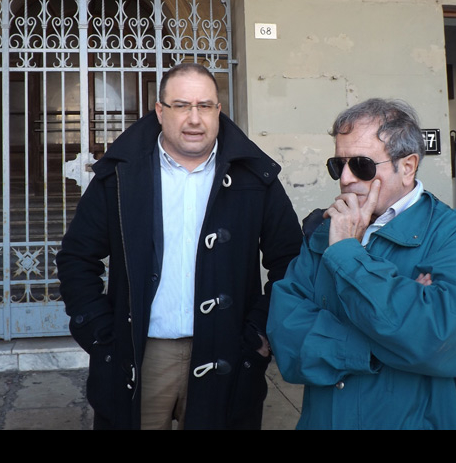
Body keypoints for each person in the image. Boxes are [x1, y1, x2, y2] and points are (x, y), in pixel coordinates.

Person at [56, 63, 302, 430]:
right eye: (181, 105)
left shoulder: (256, 178)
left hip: (227, 352)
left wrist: (260, 332)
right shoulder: (121, 175)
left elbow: (291, 261)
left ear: (218, 111)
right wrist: (102, 335)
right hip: (142, 354)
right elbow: (76, 257)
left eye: (205, 106)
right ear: (159, 111)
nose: (194, 119)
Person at [267, 98, 456, 430]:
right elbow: (286, 335)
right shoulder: (324, 232)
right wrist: (383, 346)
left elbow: (439, 339)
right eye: (338, 164)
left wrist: (347, 252)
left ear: (407, 166)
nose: (345, 178)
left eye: (361, 164)